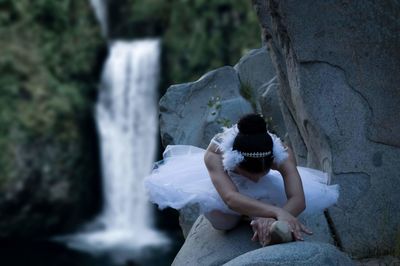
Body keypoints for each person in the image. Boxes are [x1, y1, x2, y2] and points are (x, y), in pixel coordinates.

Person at [144, 113, 339, 247]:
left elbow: (298, 199)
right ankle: (254, 218)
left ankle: (258, 220)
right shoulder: (216, 153)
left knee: (277, 204)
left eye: (262, 172)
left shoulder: (282, 153)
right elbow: (229, 197)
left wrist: (272, 217)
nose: (255, 179)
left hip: (268, 188)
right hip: (229, 186)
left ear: (272, 162)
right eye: (250, 173)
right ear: (234, 162)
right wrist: (276, 212)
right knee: (223, 221)